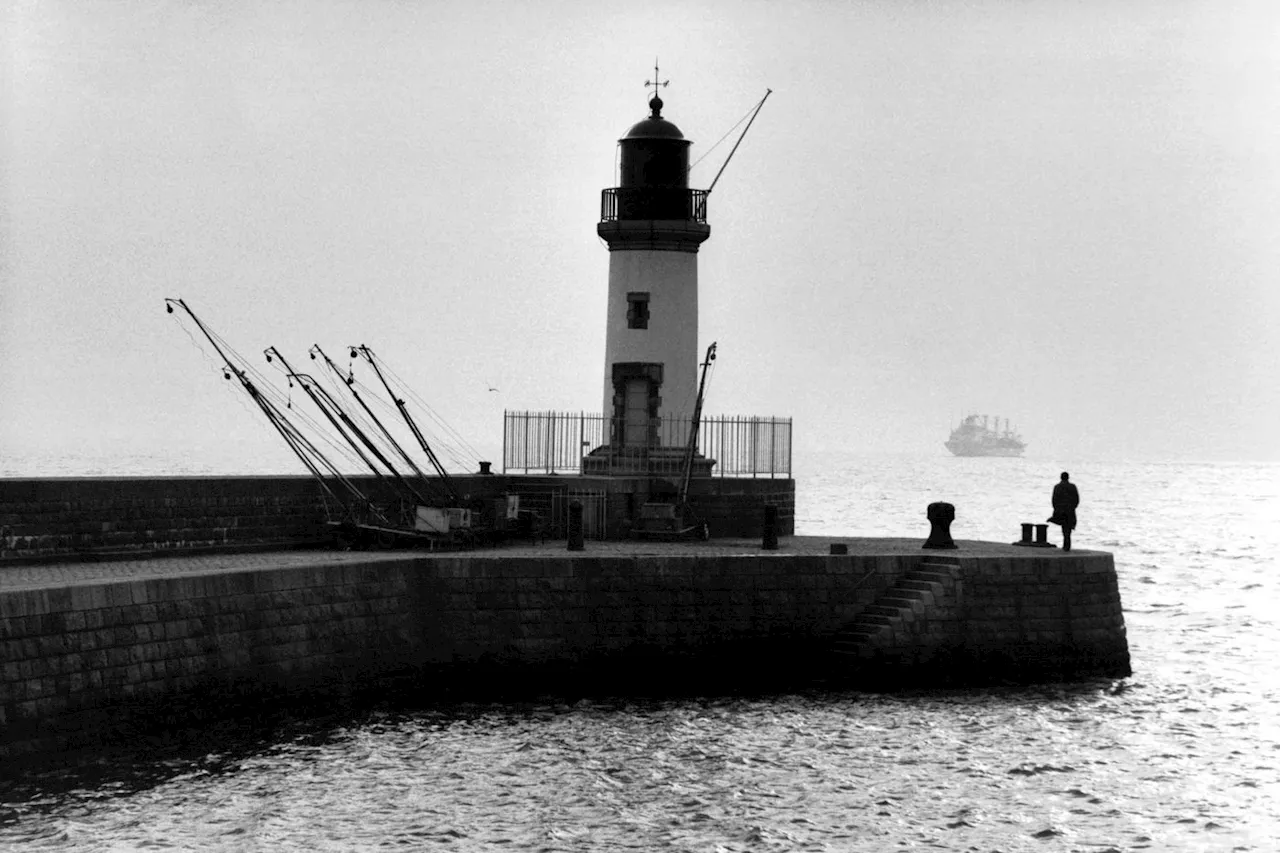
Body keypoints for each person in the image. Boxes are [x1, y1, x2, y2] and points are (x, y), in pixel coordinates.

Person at [1048, 471, 1080, 551]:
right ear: (1068, 477)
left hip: (1061, 510)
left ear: (1061, 477)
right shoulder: (1072, 487)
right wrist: (1073, 507)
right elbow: (1077, 499)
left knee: (1064, 528)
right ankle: (1067, 545)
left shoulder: (1057, 487)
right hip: (1070, 510)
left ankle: (1066, 545)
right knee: (1068, 528)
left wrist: (1056, 509)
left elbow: (1054, 500)